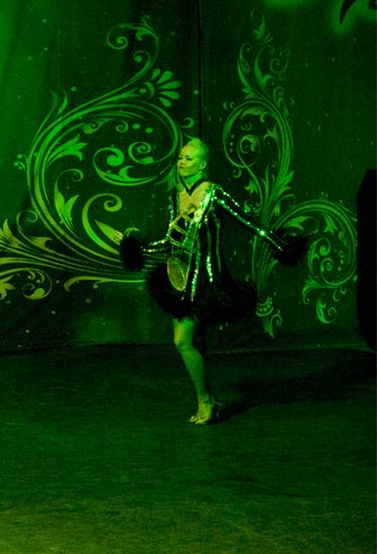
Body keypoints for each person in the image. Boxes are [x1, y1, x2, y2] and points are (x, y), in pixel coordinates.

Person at [120, 138, 305, 424]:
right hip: (180, 280)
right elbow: (170, 242)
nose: (182, 162)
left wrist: (280, 245)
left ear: (203, 165)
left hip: (207, 281)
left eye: (189, 158)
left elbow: (249, 222)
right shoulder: (175, 197)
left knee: (182, 341)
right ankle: (207, 400)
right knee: (192, 342)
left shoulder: (214, 194)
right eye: (181, 157)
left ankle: (206, 401)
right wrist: (136, 247)